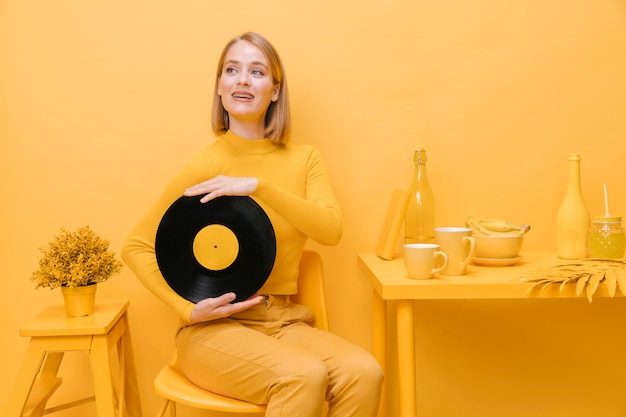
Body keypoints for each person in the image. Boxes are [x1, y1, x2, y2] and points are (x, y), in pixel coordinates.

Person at [122, 31, 383, 417]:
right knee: (303, 376)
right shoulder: (206, 166)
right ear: (220, 86)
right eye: (232, 70)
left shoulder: (306, 159)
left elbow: (330, 230)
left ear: (275, 91)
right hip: (212, 333)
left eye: (257, 72)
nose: (243, 79)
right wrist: (187, 309)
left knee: (366, 372)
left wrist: (259, 187)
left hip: (283, 321)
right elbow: (136, 245)